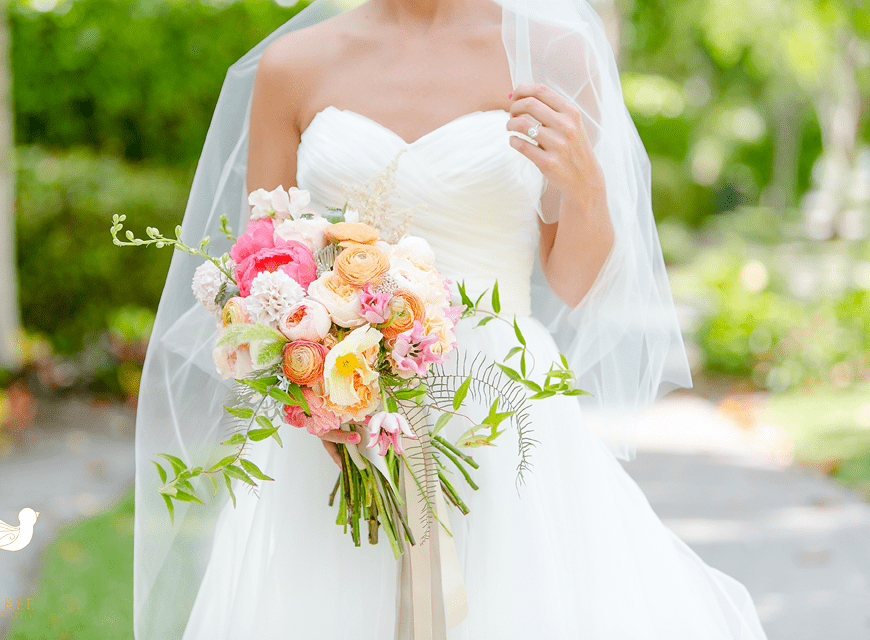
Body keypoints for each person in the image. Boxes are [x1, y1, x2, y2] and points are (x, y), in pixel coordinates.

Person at [132, 0, 771, 637]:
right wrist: (315, 390)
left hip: (498, 406)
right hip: (341, 408)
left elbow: (573, 282)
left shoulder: (551, 54)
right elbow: (262, 267)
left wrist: (585, 185)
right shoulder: (294, 65)